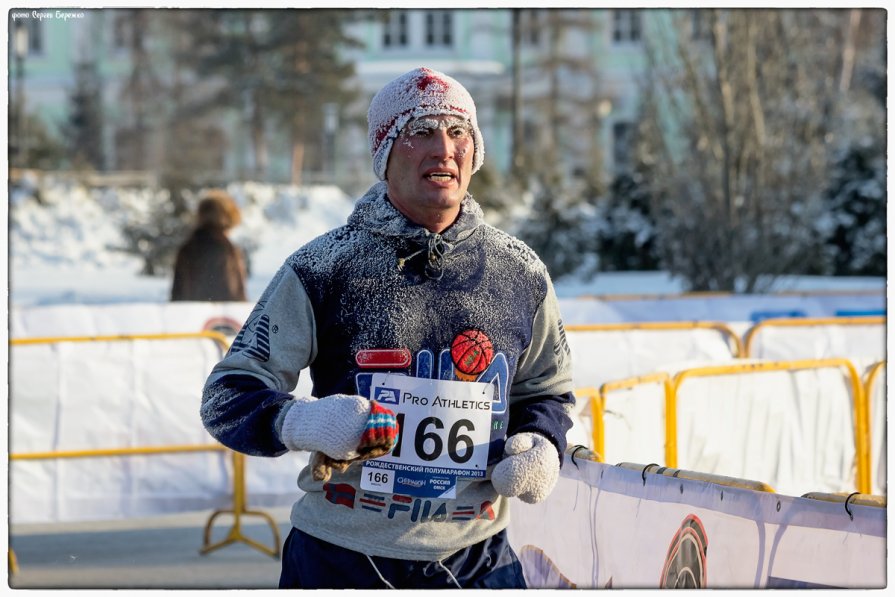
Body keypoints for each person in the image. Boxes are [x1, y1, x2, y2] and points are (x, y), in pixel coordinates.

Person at [201, 67, 575, 589]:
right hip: (341, 559)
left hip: (477, 561)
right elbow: (226, 398)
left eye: (458, 131)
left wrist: (542, 442)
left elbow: (547, 390)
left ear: (475, 152)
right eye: (421, 131)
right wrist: (300, 423)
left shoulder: (520, 272)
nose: (444, 149)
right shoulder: (323, 267)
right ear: (384, 152)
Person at [171, 189, 248, 302]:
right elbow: (235, 295)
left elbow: (177, 295)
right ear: (227, 218)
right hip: (221, 318)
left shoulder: (187, 248)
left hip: (189, 317)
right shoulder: (226, 250)